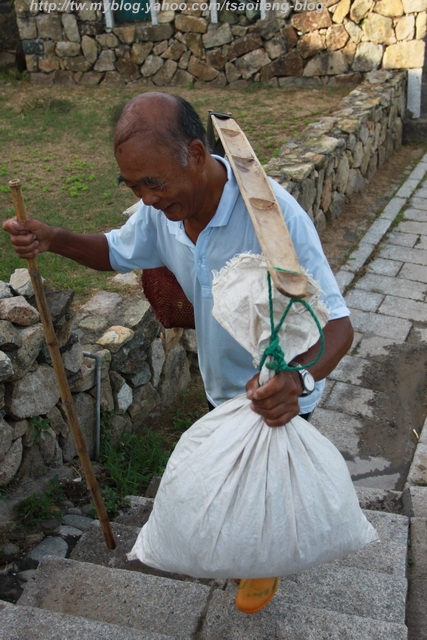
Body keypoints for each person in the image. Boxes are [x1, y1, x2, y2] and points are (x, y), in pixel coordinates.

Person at [2, 91, 353, 614]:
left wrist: (297, 381)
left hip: (280, 390)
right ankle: (247, 551)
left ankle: (264, 560)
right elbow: (116, 250)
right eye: (134, 185)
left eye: (153, 183)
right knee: (235, 484)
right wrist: (54, 238)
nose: (145, 198)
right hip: (220, 386)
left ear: (195, 153)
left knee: (265, 486)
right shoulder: (164, 212)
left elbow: (340, 329)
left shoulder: (271, 218)